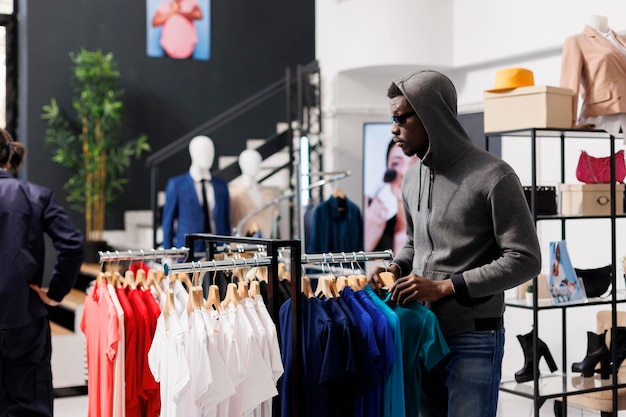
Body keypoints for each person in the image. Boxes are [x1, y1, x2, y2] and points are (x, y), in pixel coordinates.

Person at [368, 70, 541, 417]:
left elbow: (525, 258)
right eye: (391, 118)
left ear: (433, 115)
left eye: (401, 117)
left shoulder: (494, 176)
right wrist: (395, 267)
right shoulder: (413, 177)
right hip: (422, 331)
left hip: (474, 338)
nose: (393, 128)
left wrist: (446, 287)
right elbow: (415, 243)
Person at [0, 128, 85, 416]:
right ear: (9, 160)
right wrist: (56, 292)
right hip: (24, 316)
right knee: (28, 406)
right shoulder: (35, 195)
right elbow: (73, 244)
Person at [161, 135, 230, 252]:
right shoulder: (177, 185)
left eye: (210, 151)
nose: (207, 156)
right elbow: (168, 222)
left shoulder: (221, 186)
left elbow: (226, 220)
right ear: (192, 153)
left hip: (218, 251)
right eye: (202, 152)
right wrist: (168, 253)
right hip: (188, 250)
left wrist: (226, 245)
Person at [560, 15, 626, 135]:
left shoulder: (621, 40)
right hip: (603, 113)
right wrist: (568, 121)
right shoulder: (578, 41)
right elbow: (569, 84)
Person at [364, 137, 417, 254]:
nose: (404, 173)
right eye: (396, 163)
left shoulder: (438, 232)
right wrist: (367, 244)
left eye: (414, 163)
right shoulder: (375, 232)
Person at [229, 149, 279, 237]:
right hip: (243, 246)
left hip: (266, 245)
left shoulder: (268, 193)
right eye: (251, 162)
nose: (255, 165)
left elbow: (275, 223)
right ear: (242, 164)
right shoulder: (233, 193)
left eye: (258, 162)